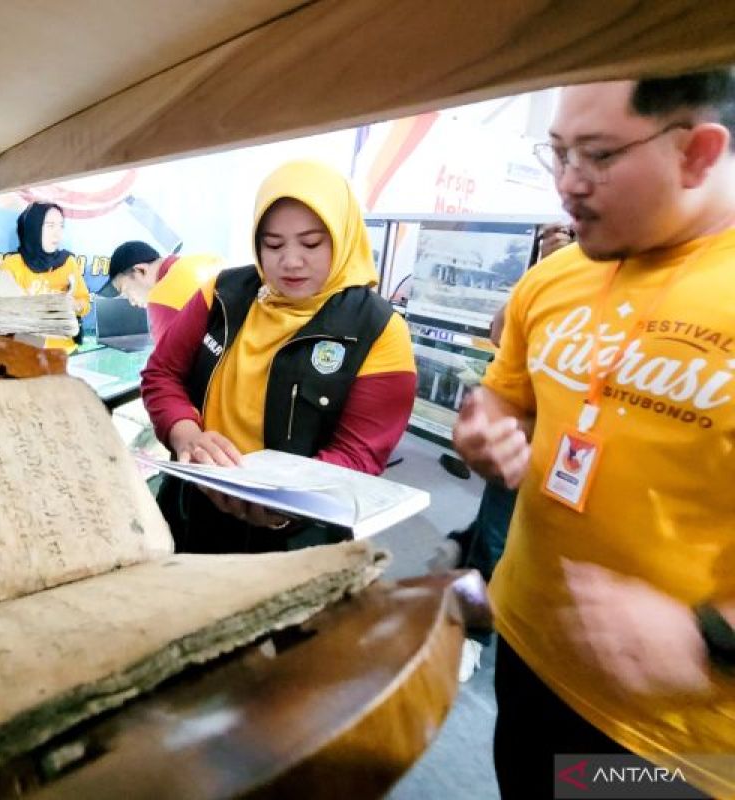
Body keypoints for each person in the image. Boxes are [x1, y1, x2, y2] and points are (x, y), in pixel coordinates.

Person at [452, 69, 735, 798]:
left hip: (677, 741)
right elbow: (506, 397)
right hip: (526, 654)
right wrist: (487, 431)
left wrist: (708, 636)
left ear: (700, 152)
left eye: (599, 156)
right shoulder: (552, 280)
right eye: (558, 153)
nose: (568, 184)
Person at [142, 160, 416, 553]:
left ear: (343, 237)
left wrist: (286, 502)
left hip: (299, 541)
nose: (289, 261)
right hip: (189, 510)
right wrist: (186, 434)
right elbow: (162, 374)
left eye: (311, 243)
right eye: (272, 244)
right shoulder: (220, 293)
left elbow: (359, 452)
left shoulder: (378, 330)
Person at [432, 221, 575, 682]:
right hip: (528, 439)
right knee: (494, 540)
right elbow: (500, 334)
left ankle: (461, 545)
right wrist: (547, 264)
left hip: (595, 463)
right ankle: (473, 635)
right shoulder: (559, 272)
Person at [0, 202, 89, 347]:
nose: (57, 233)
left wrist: (75, 305)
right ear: (34, 227)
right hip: (25, 350)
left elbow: (84, 302)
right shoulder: (11, 265)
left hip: (65, 351)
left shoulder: (68, 262)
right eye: (50, 226)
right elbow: (0, 312)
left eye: (61, 226)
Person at [104, 240, 223, 341]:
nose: (132, 302)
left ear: (141, 270)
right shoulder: (204, 260)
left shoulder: (163, 299)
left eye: (127, 291)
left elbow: (166, 366)